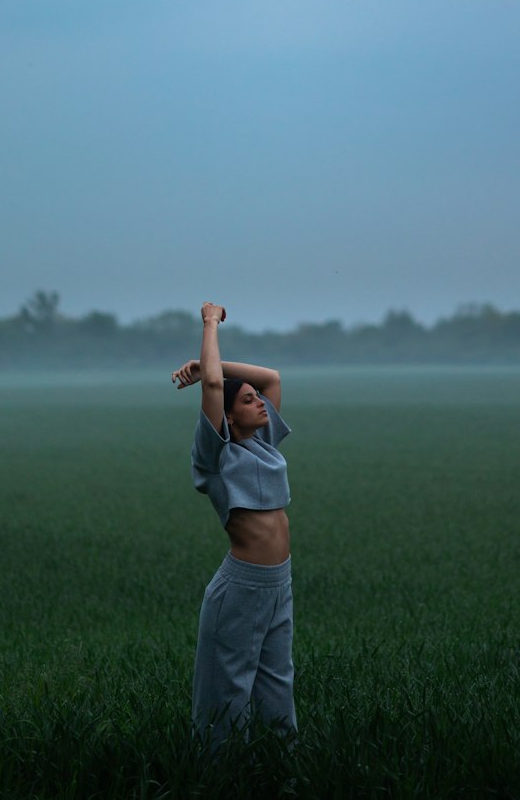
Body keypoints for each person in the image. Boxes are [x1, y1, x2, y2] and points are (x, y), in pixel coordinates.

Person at [172, 302, 296, 748]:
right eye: (246, 401)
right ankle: (219, 776)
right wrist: (209, 323)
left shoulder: (263, 442)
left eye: (255, 399)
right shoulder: (216, 454)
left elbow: (271, 378)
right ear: (227, 416)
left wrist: (216, 365)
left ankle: (281, 765)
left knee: (276, 682)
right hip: (241, 587)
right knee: (227, 694)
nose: (259, 402)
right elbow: (210, 385)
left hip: (278, 582)